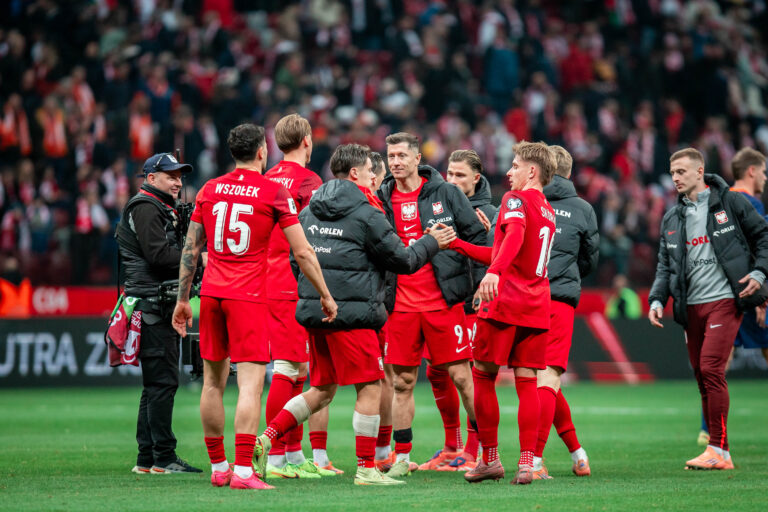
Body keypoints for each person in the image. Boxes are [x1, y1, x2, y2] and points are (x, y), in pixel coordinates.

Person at [253, 143, 455, 486]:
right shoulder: (367, 213)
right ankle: (367, 468)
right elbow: (403, 261)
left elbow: (296, 257)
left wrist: (316, 291)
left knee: (323, 389)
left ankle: (268, 437)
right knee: (372, 385)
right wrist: (432, 241)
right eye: (370, 170)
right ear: (355, 174)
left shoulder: (310, 210)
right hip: (354, 313)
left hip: (316, 310)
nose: (376, 174)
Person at [171, 123, 337, 491]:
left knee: (212, 383)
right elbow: (303, 250)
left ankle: (219, 466)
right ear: (262, 152)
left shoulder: (210, 189)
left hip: (211, 293)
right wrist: (325, 293)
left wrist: (183, 301)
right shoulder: (273, 192)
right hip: (247, 296)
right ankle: (244, 471)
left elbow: (190, 249)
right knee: (249, 385)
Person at [648, 147, 768, 470]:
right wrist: (657, 299)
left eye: (682, 172)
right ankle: (718, 451)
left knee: (712, 369)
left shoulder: (730, 202)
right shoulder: (672, 217)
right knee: (703, 375)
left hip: (725, 301)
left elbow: (764, 236)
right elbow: (664, 264)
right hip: (691, 308)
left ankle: (719, 449)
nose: (675, 178)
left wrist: (759, 273)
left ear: (700, 172)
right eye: (672, 173)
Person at [377, 132, 486, 476]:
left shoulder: (446, 193)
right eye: (390, 156)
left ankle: (486, 449)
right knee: (402, 382)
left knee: (462, 378)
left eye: (400, 156)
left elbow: (477, 237)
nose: (394, 162)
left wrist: (482, 281)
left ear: (415, 158)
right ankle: (403, 457)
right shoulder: (380, 199)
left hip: (443, 303)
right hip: (401, 306)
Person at [449, 141, 557, 485]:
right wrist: (459, 244)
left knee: (482, 376)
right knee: (527, 383)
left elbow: (512, 242)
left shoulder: (515, 200)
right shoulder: (548, 210)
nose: (509, 172)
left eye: (514, 166)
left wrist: (494, 273)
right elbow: (504, 248)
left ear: (531, 171)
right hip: (537, 304)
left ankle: (490, 458)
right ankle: (527, 463)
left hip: (506, 301)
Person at [262, 113, 339, 478]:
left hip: (266, 279)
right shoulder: (309, 182)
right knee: (288, 367)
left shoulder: (266, 179)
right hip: (291, 282)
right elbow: (314, 239)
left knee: (298, 367)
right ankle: (275, 456)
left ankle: (293, 455)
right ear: (307, 141)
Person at [115, 151, 201, 475]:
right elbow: (159, 255)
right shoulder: (145, 206)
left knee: (156, 384)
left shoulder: (158, 206)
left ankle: (147, 458)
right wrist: (196, 257)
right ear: (151, 178)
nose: (178, 181)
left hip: (155, 304)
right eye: (170, 175)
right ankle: (163, 456)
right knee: (162, 383)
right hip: (152, 304)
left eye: (180, 175)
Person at [693, 147, 768, 447]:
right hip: (749, 290)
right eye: (763, 171)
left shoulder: (719, 200)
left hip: (721, 292)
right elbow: (753, 249)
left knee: (717, 363)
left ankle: (706, 429)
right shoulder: (749, 203)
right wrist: (762, 297)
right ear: (751, 170)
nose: (764, 177)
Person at [533, 144, 599, 480]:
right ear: (569, 173)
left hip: (525, 298)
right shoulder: (583, 208)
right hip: (559, 298)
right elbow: (591, 258)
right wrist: (566, 272)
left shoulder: (526, 201)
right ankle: (568, 454)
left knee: (538, 380)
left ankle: (538, 458)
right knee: (549, 379)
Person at [429, 149, 497, 472]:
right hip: (444, 299)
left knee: (470, 375)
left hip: (473, 302)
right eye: (449, 174)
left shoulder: (491, 214)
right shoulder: (439, 207)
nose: (452, 180)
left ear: (476, 178)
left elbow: (496, 259)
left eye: (459, 175)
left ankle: (475, 449)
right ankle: (451, 445)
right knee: (436, 370)